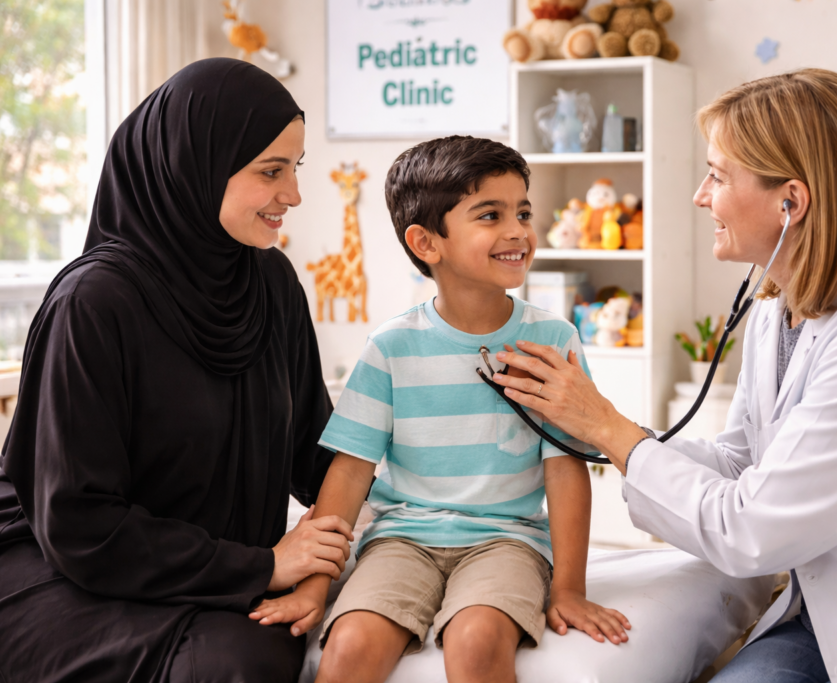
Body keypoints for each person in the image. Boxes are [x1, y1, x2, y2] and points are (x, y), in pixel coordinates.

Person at [490, 69, 837, 682]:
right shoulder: (780, 310)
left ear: (790, 201)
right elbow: (744, 462)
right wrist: (597, 433)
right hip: (821, 619)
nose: (699, 195)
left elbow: (751, 528)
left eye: (717, 176)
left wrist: (613, 433)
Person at [0, 58, 349, 682]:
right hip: (70, 568)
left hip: (216, 567)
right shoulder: (94, 302)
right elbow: (79, 523)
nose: (293, 195)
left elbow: (318, 453)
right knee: (236, 665)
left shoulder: (271, 283)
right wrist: (265, 568)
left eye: (295, 170)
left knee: (266, 645)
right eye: (271, 172)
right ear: (196, 166)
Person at [250, 136, 631, 683]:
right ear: (427, 243)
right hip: (401, 539)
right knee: (350, 646)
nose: (518, 230)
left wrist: (569, 589)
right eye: (490, 215)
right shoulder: (390, 347)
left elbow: (566, 468)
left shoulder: (553, 338)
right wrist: (313, 586)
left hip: (508, 541)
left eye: (523, 211)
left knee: (477, 641)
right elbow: (350, 473)